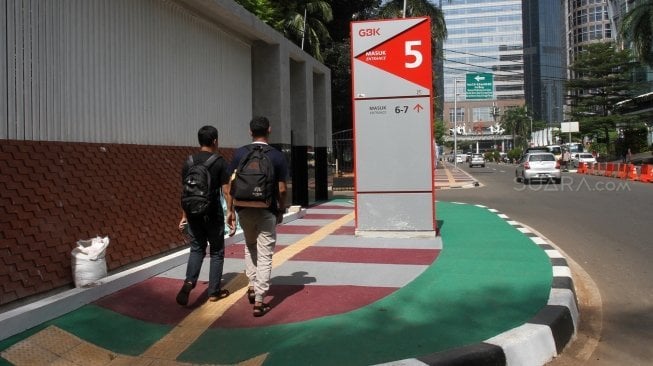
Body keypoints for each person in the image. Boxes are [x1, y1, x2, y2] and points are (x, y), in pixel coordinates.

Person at [226, 116, 288, 317]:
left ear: (250, 131)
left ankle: (252, 285)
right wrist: (280, 208)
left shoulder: (239, 153)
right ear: (269, 130)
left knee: (250, 246)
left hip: (243, 208)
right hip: (266, 209)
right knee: (265, 253)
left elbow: (229, 186)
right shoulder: (277, 156)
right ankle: (260, 300)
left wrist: (230, 210)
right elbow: (282, 188)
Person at [176, 125, 232, 306]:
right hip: (212, 214)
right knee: (216, 252)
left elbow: (185, 191)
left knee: (197, 248)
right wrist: (230, 212)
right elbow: (226, 191)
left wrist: (184, 215)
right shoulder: (220, 162)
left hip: (192, 213)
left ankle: (189, 282)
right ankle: (214, 291)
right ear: (215, 141)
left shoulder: (189, 162)